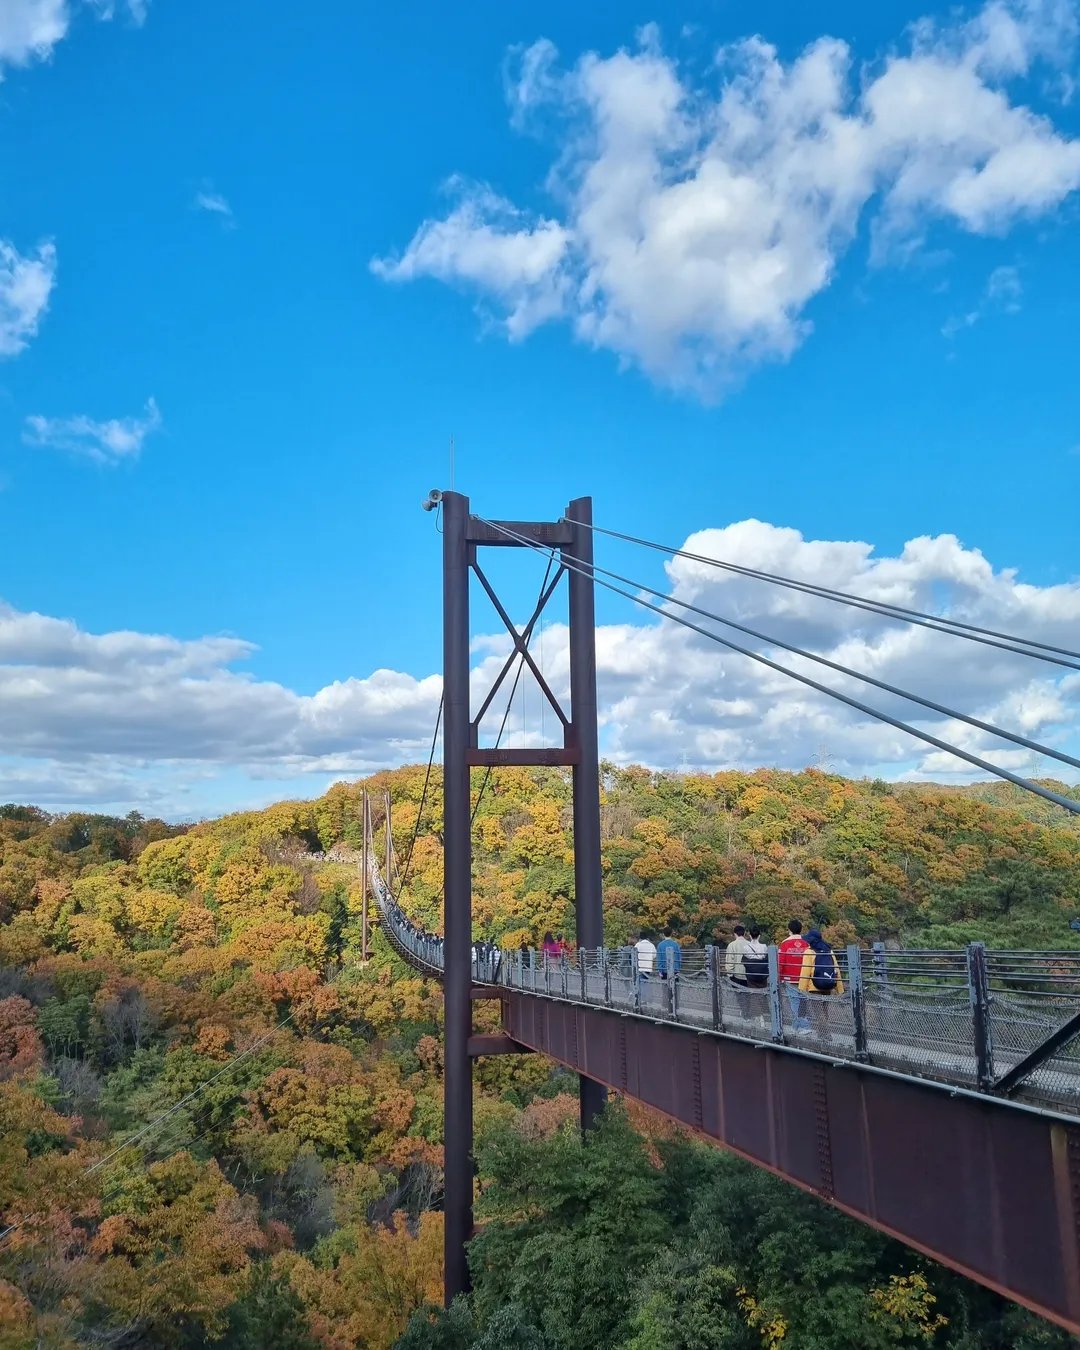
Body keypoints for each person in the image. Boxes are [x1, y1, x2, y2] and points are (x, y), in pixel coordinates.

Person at [778, 919, 811, 1030]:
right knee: (803, 1002)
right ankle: (799, 1026)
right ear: (801, 929)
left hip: (790, 977)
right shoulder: (806, 942)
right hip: (805, 977)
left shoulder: (785, 943)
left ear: (789, 930)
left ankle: (801, 1027)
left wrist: (779, 977)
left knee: (794, 1002)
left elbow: (781, 962)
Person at [798, 928, 844, 1001]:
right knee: (825, 1011)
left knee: (817, 1011)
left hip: (814, 987)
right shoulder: (829, 951)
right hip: (827, 985)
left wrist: (801, 990)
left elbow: (805, 972)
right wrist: (840, 990)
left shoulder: (809, 952)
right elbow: (836, 969)